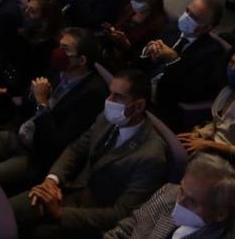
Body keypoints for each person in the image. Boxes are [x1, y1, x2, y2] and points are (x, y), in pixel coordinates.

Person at [11, 69, 168, 239]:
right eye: (110, 93)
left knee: (37, 234)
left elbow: (120, 214)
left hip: (92, 215)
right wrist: (52, 181)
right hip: (68, 188)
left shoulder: (151, 156)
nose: (109, 101)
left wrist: (60, 214)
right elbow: (76, 149)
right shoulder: (106, 118)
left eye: (118, 97)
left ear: (138, 106)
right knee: (12, 211)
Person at [0, 27, 108, 195]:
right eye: (59, 46)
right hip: (19, 133)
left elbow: (58, 143)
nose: (57, 52)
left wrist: (42, 103)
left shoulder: (93, 94)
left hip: (35, 157)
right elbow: (26, 101)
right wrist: (33, 95)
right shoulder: (57, 70)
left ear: (82, 60)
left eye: (65, 49)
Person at [136, 0, 228, 129]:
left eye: (194, 18)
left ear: (207, 27)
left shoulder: (212, 54)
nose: (186, 17)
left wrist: (174, 60)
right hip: (140, 89)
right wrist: (146, 53)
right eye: (187, 11)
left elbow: (188, 93)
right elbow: (137, 66)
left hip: (163, 105)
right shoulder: (170, 29)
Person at [104, 153, 235, 239]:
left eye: (192, 201)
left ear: (220, 214)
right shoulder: (170, 192)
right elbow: (131, 225)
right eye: (182, 190)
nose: (179, 201)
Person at [104, 0, 169, 66]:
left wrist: (127, 46)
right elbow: (118, 25)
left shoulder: (158, 23)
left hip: (128, 62)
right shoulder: (130, 8)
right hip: (111, 51)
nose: (132, 2)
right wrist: (111, 30)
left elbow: (145, 58)